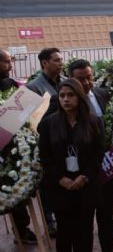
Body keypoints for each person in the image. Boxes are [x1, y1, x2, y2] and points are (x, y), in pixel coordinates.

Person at [39, 78, 104, 252]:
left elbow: (98, 154)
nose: (66, 99)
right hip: (61, 188)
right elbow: (45, 157)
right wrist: (60, 178)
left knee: (85, 232)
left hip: (86, 187)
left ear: (79, 97)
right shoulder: (48, 124)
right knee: (65, 232)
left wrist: (85, 176)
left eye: (70, 95)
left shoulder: (93, 122)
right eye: (62, 96)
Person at [1, 49, 39, 244]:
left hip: (17, 145)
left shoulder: (13, 85)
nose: (10, 66)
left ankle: (22, 229)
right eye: (6, 62)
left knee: (16, 187)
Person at [28, 47, 65, 237]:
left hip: (67, 141)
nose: (61, 63)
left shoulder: (67, 83)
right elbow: (30, 120)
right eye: (57, 60)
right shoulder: (33, 87)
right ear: (45, 63)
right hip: (45, 143)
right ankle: (50, 222)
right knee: (47, 185)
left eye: (61, 59)